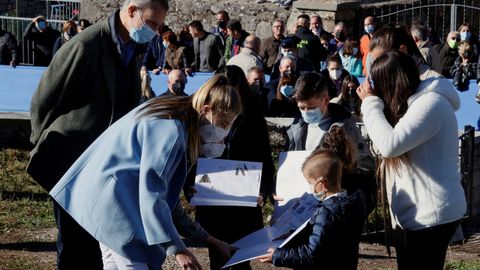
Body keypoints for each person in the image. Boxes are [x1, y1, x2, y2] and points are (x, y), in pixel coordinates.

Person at [27, 1, 169, 269]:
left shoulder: (133, 47)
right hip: (71, 165)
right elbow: (43, 102)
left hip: (104, 168)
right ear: (131, 11)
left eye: (159, 25)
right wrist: (48, 150)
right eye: (152, 23)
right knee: (74, 248)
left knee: (98, 245)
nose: (156, 30)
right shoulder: (87, 45)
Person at [50, 74, 242, 270]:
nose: (224, 134)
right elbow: (154, 195)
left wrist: (212, 241)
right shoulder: (172, 131)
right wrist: (177, 249)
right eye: (223, 124)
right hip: (116, 209)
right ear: (206, 111)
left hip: (107, 202)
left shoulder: (172, 113)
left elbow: (169, 202)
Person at [357, 51, 467, 270]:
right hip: (418, 214)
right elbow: (383, 144)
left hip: (432, 217)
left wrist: (370, 103)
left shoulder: (430, 104)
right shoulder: (413, 102)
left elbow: (390, 145)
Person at [192, 65, 275, 270]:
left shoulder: (253, 115)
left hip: (243, 199)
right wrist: (189, 187)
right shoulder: (201, 117)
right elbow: (192, 158)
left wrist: (263, 189)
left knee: (240, 258)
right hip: (211, 196)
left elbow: (264, 155)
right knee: (217, 256)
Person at [258, 147, 367, 269]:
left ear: (322, 183)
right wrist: (294, 236)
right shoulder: (354, 201)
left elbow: (311, 254)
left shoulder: (326, 213)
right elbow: (326, 239)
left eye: (310, 182)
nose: (310, 187)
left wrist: (278, 256)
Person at [286, 72, 375, 175]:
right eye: (302, 108)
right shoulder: (297, 129)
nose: (306, 112)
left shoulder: (346, 129)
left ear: (326, 100)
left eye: (311, 108)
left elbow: (366, 166)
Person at [369, 26, 441, 80]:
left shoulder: (432, 82)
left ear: (402, 51)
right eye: (374, 61)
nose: (376, 67)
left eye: (380, 60)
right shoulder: (388, 81)